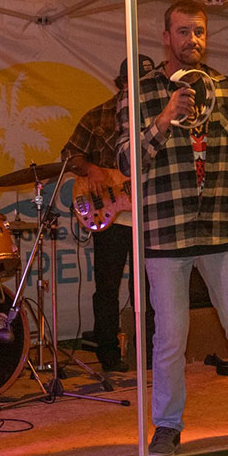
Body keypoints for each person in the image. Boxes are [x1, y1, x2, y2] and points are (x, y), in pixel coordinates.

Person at [116, 0, 228, 456]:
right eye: (184, 32)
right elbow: (126, 159)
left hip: (223, 228)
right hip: (166, 231)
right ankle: (167, 424)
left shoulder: (227, 90)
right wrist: (164, 116)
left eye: (200, 32)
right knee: (170, 335)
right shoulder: (138, 92)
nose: (194, 40)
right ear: (166, 37)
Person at [62, 56, 156, 373]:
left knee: (150, 287)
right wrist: (90, 169)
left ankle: (151, 353)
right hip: (111, 214)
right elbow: (68, 154)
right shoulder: (99, 115)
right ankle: (109, 354)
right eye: (133, 82)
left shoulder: (160, 117)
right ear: (121, 84)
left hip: (150, 215)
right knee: (107, 288)